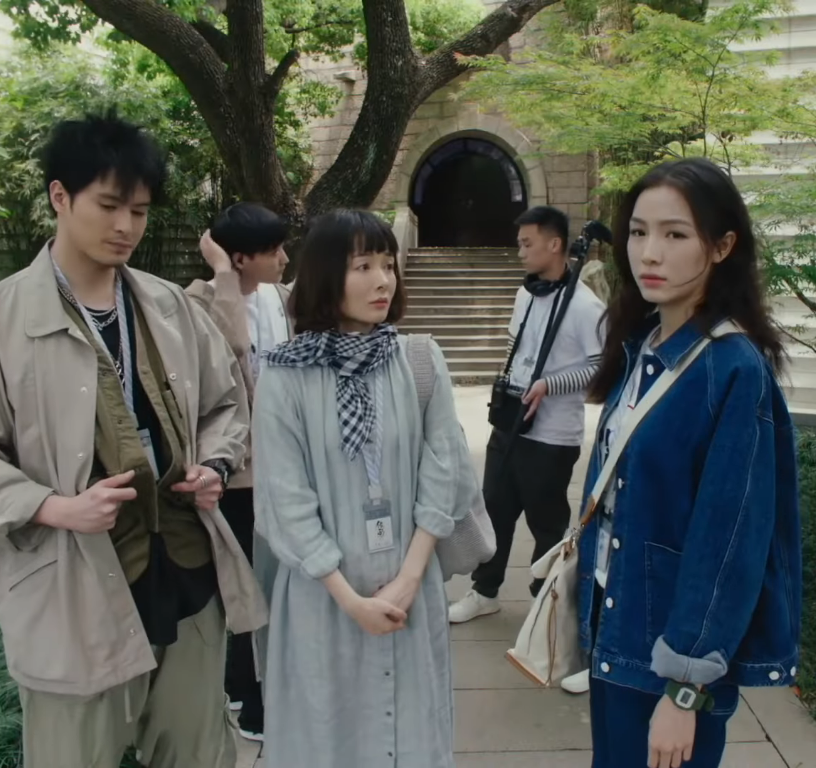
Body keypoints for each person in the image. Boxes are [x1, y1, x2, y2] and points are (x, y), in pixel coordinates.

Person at [0, 112, 266, 768]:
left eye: (138, 211)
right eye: (109, 206)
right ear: (60, 196)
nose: (125, 227)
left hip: (186, 571)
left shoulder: (172, 309)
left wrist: (215, 464)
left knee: (198, 751)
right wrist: (52, 507)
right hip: (71, 587)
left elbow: (225, 404)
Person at [576, 157, 802, 768]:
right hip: (617, 631)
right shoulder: (644, 346)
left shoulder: (733, 368)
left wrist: (685, 688)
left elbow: (729, 541)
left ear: (723, 246)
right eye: (638, 232)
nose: (649, 253)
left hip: (671, 659)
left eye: (676, 235)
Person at [251, 209, 470, 768]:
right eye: (363, 266)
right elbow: (285, 498)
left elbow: (443, 471)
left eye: (388, 265)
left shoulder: (419, 360)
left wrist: (409, 579)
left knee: (412, 736)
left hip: (409, 589)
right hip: (324, 597)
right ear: (326, 274)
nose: (382, 281)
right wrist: (350, 599)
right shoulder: (284, 375)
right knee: (328, 738)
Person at [448, 206, 606, 640]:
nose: (519, 252)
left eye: (526, 243)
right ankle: (485, 590)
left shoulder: (586, 307)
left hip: (553, 436)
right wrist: (509, 382)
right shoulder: (527, 294)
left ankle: (546, 601)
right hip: (509, 423)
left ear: (554, 245)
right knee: (494, 509)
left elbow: (600, 367)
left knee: (546, 522)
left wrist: (549, 385)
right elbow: (515, 345)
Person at [187, 202, 292, 742]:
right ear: (241, 258)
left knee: (271, 582)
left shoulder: (279, 297)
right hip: (236, 471)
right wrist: (223, 277)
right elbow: (229, 355)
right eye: (273, 251)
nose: (284, 258)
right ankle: (252, 703)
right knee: (247, 584)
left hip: (282, 460)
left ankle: (242, 684)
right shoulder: (198, 300)